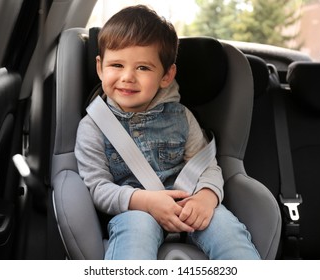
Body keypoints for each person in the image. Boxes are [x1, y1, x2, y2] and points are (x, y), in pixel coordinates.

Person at [75, 5, 260, 260]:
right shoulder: (93, 127)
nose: (127, 77)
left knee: (226, 229)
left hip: (188, 205)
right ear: (100, 67)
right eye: (116, 65)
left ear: (166, 75)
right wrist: (145, 202)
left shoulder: (182, 117)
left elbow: (207, 166)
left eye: (143, 68)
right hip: (134, 212)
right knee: (137, 227)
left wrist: (206, 197)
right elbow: (97, 187)